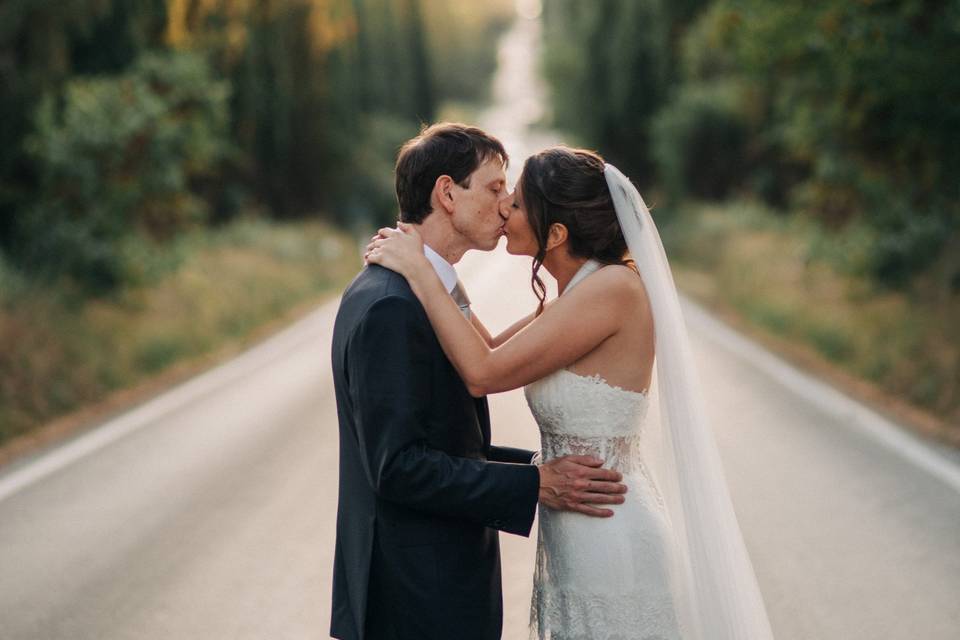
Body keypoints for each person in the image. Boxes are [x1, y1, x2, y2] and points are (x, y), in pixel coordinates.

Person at [367, 146, 776, 639]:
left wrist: (419, 273)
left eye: (515, 204)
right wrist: (438, 274)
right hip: (575, 531)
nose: (503, 210)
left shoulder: (613, 291)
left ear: (556, 233)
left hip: (610, 530)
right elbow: (493, 345)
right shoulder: (579, 294)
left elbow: (483, 372)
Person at [330, 125, 629, 640]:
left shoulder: (415, 292)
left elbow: (450, 441)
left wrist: (540, 469)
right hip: (415, 603)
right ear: (447, 193)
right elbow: (398, 468)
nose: (506, 205)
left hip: (432, 594)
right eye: (494, 189)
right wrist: (536, 483)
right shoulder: (391, 307)